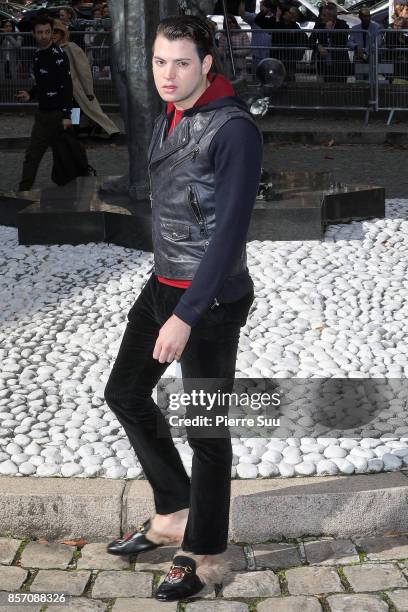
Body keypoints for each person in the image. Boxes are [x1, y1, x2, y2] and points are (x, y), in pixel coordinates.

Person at [104, 14, 262, 602]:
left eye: (182, 63)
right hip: (163, 284)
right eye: (159, 62)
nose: (168, 75)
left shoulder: (234, 129)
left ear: (207, 64)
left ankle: (207, 550)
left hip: (212, 300)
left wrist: (186, 314)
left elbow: (229, 237)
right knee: (124, 392)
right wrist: (166, 299)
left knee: (207, 430)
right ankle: (173, 509)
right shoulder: (169, 113)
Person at [16, 15, 73, 191]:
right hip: (43, 113)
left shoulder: (59, 56)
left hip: (58, 114)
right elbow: (42, 82)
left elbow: (67, 86)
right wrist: (30, 94)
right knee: (37, 154)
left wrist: (67, 115)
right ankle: (24, 190)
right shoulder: (37, 54)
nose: (44, 36)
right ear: (33, 34)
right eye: (40, 32)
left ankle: (71, 190)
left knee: (63, 154)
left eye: (47, 32)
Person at [52, 20, 120, 138]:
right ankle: (83, 129)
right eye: (51, 32)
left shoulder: (70, 47)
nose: (53, 35)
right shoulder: (50, 50)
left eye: (56, 32)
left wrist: (88, 89)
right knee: (77, 110)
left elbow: (83, 70)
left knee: (80, 109)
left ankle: (81, 130)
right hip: (60, 90)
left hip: (74, 88)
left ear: (62, 33)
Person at [310, 3, 351, 83]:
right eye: (323, 15)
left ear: (331, 17)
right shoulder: (319, 26)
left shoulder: (343, 25)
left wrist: (330, 32)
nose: (322, 17)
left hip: (340, 64)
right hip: (324, 64)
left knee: (340, 88)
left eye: (325, 15)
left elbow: (342, 41)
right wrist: (318, 46)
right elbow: (310, 41)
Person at [238, 0, 272, 73]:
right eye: (261, 5)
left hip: (271, 55)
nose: (261, 7)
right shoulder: (254, 17)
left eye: (263, 5)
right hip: (257, 55)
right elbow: (242, 13)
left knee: (270, 78)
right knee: (257, 77)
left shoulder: (275, 18)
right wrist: (242, 1)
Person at [217, 14, 251, 78]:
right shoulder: (223, 36)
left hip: (240, 66)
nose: (232, 24)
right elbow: (220, 51)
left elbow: (247, 50)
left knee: (241, 85)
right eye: (229, 23)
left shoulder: (243, 34)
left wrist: (234, 53)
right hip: (227, 67)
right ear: (225, 24)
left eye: (233, 22)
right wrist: (224, 53)